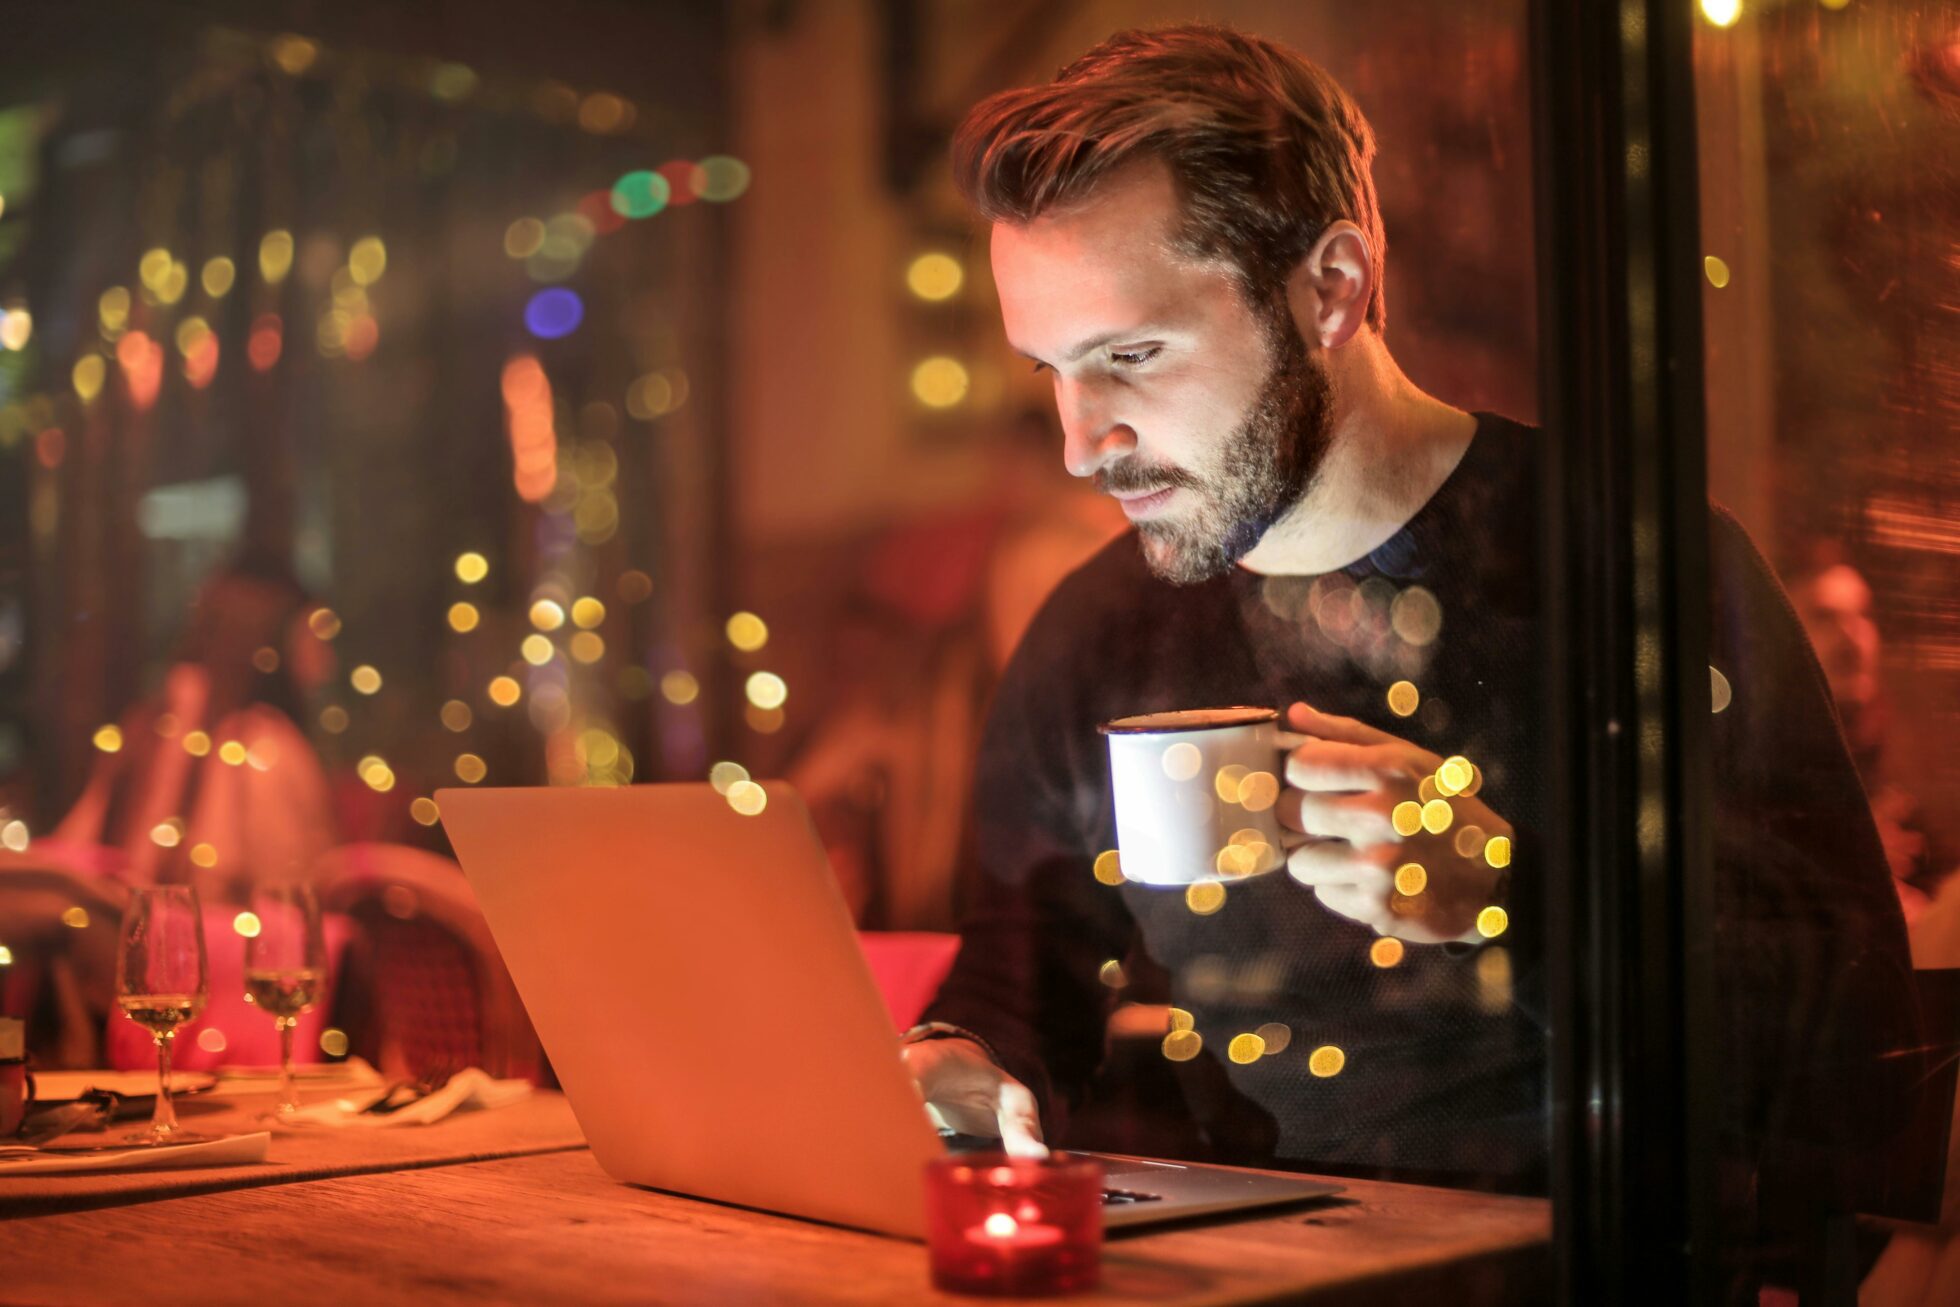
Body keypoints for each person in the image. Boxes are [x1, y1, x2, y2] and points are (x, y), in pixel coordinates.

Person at [898, 24, 1915, 1292]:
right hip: (1253, 1276)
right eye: (1050, 369)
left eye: (1132, 354)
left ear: (1330, 286)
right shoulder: (1098, 625)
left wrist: (1505, 901)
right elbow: (1023, 968)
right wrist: (955, 1056)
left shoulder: (1634, 572)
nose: (1079, 440)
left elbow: (1848, 1045)